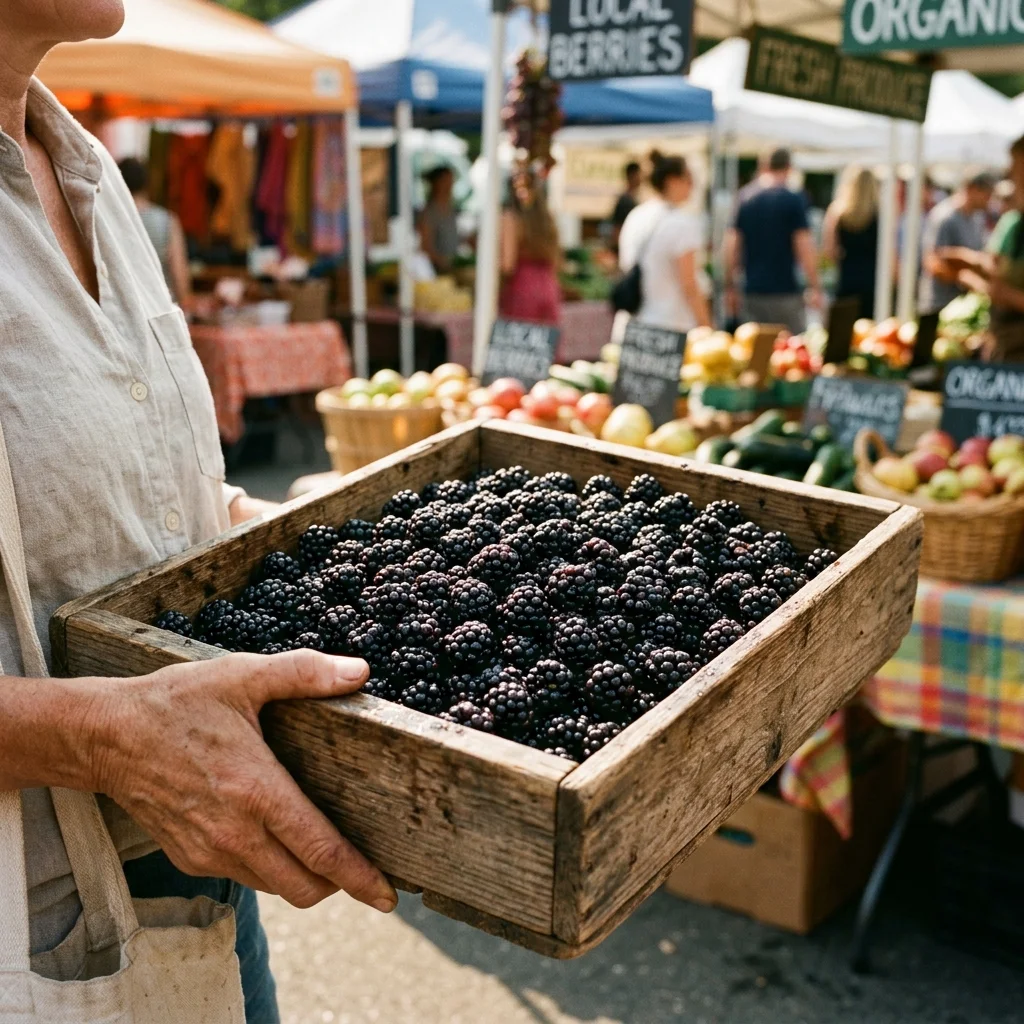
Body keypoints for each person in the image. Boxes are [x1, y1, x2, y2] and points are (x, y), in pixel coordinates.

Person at [0, 3, 397, 1020]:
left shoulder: (80, 164)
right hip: (33, 911)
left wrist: (273, 531)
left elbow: (120, 496)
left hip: (192, 869)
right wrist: (99, 737)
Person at [724, 148, 822, 334]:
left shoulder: (744, 197)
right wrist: (815, 285)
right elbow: (804, 246)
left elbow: (731, 246)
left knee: (755, 353)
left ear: (764, 165)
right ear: (788, 167)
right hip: (785, 291)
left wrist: (730, 286)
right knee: (793, 347)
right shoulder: (793, 199)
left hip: (752, 291)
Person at [944, 138, 1024, 362]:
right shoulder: (1015, 222)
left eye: (1017, 168)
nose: (1011, 176)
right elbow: (997, 263)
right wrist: (972, 263)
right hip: (1007, 351)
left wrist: (1008, 296)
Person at [618, 152, 710, 333]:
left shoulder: (636, 215)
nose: (692, 187)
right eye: (688, 179)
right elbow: (690, 284)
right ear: (672, 180)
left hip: (634, 326)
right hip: (671, 329)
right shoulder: (682, 223)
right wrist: (706, 326)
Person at [117, 155, 192, 308]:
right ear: (146, 184)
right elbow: (178, 273)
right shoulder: (166, 221)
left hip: (123, 307)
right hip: (159, 306)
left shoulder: (110, 220)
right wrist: (185, 303)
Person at [918, 170, 995, 316]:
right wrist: (962, 277)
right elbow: (932, 262)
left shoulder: (977, 218)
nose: (989, 200)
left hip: (962, 306)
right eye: (987, 194)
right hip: (937, 306)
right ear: (972, 189)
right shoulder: (945, 217)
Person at [499, 170, 561, 325]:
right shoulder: (547, 218)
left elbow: (507, 265)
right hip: (549, 286)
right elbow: (558, 259)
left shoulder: (511, 218)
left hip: (523, 289)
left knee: (521, 345)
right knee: (545, 344)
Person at [822, 166, 879, 319]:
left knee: (844, 331)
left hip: (847, 279)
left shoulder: (837, 212)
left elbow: (829, 252)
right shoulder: (879, 213)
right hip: (872, 281)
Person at [417, 164, 459, 275]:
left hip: (451, 268)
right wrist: (441, 261)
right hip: (436, 271)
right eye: (446, 181)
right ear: (436, 183)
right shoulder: (429, 212)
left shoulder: (451, 209)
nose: (450, 185)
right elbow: (425, 247)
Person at [610, 160, 642, 251]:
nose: (641, 178)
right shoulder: (625, 200)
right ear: (632, 175)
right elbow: (617, 227)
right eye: (639, 174)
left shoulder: (633, 198)